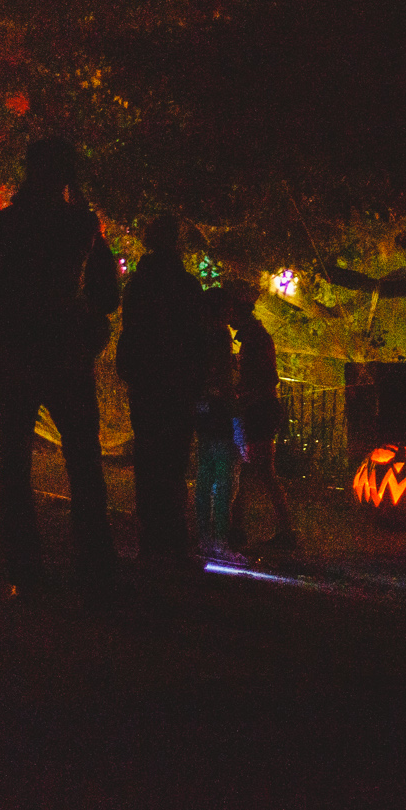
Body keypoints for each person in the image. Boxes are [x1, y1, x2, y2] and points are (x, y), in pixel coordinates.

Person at [0, 138, 121, 599]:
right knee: (83, 458)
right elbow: (107, 296)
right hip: (65, 353)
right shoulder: (79, 225)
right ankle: (94, 560)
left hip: (17, 353)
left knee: (14, 463)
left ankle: (23, 564)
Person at [115, 215, 206, 572]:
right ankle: (173, 539)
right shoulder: (186, 286)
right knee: (173, 462)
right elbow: (196, 341)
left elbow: (132, 332)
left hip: (147, 384)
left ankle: (151, 538)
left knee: (149, 460)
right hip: (177, 384)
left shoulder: (138, 285)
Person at [227, 281, 296, 553]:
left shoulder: (254, 339)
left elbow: (266, 377)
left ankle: (285, 529)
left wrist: (242, 389)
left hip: (259, 411)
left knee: (263, 472)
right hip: (258, 410)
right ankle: (237, 527)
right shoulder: (254, 337)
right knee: (249, 470)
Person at [193, 285, 239, 559]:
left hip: (203, 410)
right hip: (220, 411)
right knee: (224, 477)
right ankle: (221, 538)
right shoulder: (221, 336)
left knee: (204, 474)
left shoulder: (197, 336)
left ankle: (204, 537)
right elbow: (223, 377)